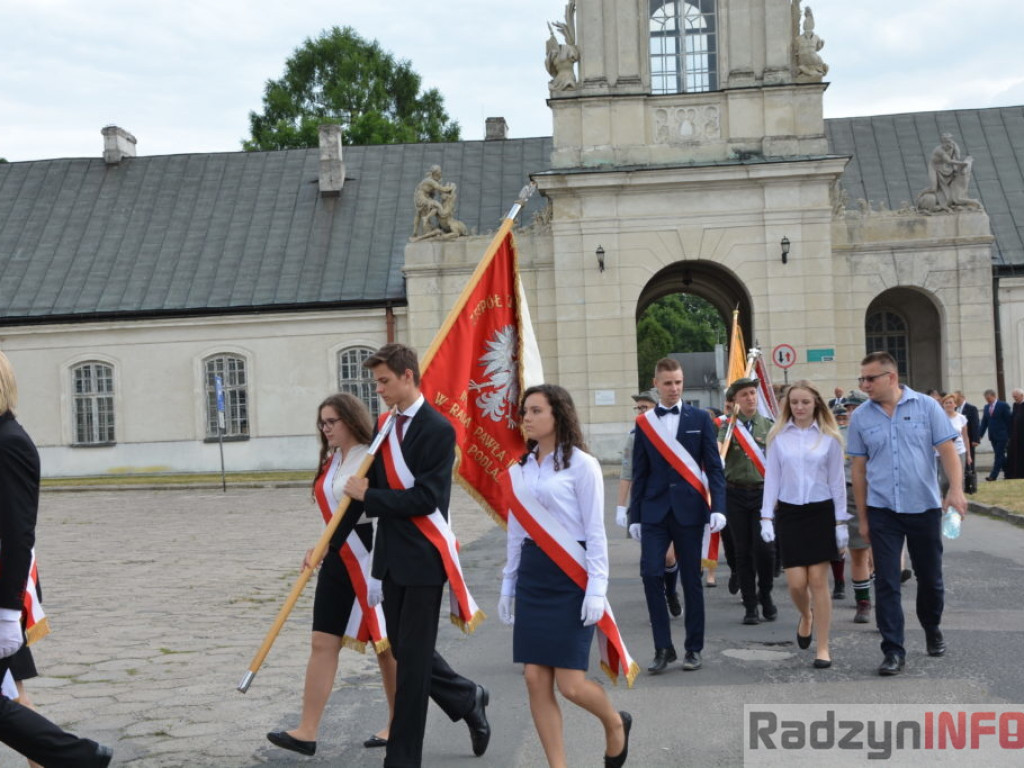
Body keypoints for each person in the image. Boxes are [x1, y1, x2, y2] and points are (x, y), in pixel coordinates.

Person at [344, 343, 490, 768]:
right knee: (408, 654)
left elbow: (427, 498)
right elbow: (366, 490)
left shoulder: (438, 430)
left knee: (410, 667)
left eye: (385, 381)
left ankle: (403, 758)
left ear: (408, 376)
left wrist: (370, 495)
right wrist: (329, 545)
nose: (379, 391)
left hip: (425, 559)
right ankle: (467, 696)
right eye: (376, 383)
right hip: (390, 558)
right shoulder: (384, 426)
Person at [499, 384, 632, 768]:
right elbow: (515, 533)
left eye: (536, 410)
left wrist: (596, 588)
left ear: (558, 414)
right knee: (533, 679)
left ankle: (614, 722)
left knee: (570, 685)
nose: (526, 417)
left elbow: (595, 533)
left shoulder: (581, 464)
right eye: (525, 411)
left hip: (571, 577)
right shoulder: (519, 470)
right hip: (534, 575)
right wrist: (509, 584)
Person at [0, 351, 114, 767]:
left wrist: (8, 611)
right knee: (9, 699)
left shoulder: (9, 443)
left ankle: (80, 757)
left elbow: (16, 533)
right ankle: (81, 758)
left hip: (3, 588)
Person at [267, 393, 396, 756]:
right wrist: (320, 545)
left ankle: (401, 720)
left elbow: (370, 507)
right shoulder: (332, 461)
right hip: (338, 557)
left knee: (386, 647)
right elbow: (334, 516)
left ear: (351, 420)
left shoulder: (372, 457)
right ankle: (306, 731)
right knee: (322, 641)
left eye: (331, 422)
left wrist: (328, 542)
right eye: (321, 423)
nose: (325, 429)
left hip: (371, 556)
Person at [847, 351, 967, 676]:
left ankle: (931, 627)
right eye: (862, 379)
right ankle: (893, 650)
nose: (864, 385)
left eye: (870, 378)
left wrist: (955, 490)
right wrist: (864, 516)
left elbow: (948, 450)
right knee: (886, 581)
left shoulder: (927, 408)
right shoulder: (861, 417)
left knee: (930, 579)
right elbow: (858, 470)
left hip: (924, 507)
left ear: (891, 377)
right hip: (882, 509)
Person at [628, 358, 727, 674]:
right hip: (655, 511)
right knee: (650, 574)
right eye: (668, 383)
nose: (674, 388)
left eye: (679, 382)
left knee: (691, 581)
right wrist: (633, 515)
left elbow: (714, 467)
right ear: (655, 384)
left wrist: (719, 508)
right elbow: (639, 472)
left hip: (690, 509)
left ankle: (693, 648)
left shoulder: (700, 418)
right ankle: (663, 647)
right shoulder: (644, 424)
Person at [759, 381, 847, 669]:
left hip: (821, 513)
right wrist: (766, 517)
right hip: (790, 513)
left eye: (805, 402)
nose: (799, 407)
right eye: (794, 402)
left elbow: (837, 483)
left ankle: (823, 647)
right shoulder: (778, 437)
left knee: (819, 581)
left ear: (816, 404)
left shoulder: (829, 437)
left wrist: (841, 522)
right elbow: (771, 478)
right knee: (797, 583)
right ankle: (805, 615)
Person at [616, 390, 682, 617]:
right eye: (639, 408)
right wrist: (620, 506)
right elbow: (627, 472)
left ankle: (671, 591)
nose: (641, 412)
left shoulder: (675, 431)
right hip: (647, 506)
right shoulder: (635, 436)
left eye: (645, 407)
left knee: (670, 556)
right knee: (653, 561)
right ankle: (658, 604)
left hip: (676, 504)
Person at [718, 377, 776, 625]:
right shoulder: (728, 428)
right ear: (735, 401)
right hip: (735, 494)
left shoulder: (769, 425)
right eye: (745, 395)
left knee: (764, 549)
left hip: (763, 493)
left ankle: (766, 593)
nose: (750, 398)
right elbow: (719, 453)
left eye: (753, 393)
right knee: (743, 551)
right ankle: (750, 604)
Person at [840, 390, 874, 623]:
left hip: (879, 493)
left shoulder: (878, 429)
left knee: (882, 552)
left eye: (856, 408)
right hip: (851, 492)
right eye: (849, 409)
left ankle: (886, 602)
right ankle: (863, 602)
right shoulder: (840, 434)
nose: (852, 413)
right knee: (858, 551)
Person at [937, 393, 971, 496]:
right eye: (946, 403)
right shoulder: (939, 418)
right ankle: (945, 499)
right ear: (943, 405)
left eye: (950, 403)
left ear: (955, 405)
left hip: (959, 450)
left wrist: (968, 455)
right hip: (943, 452)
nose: (948, 405)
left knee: (959, 478)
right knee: (945, 480)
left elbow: (965, 437)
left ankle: (958, 501)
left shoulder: (961, 418)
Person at [979, 388, 1012, 481]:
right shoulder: (986, 407)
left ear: (994, 396)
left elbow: (1008, 421)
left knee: (998, 455)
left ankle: (993, 476)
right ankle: (1009, 473)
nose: (987, 400)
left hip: (1003, 435)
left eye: (989, 398)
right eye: (986, 399)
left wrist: (1010, 435)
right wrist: (980, 435)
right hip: (992, 436)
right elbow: (984, 423)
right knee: (1001, 456)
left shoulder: (1003, 405)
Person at [954, 391, 980, 469]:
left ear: (962, 398)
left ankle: (971, 475)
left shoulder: (971, 408)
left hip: (969, 437)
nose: (955, 401)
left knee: (970, 457)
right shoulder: (955, 408)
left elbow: (975, 424)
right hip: (958, 438)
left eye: (957, 399)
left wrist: (976, 439)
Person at [1007, 388, 1024, 479]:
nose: (1015, 399)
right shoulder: (1015, 405)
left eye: (1016, 397)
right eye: (1013, 397)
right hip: (1016, 435)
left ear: (1022, 396)